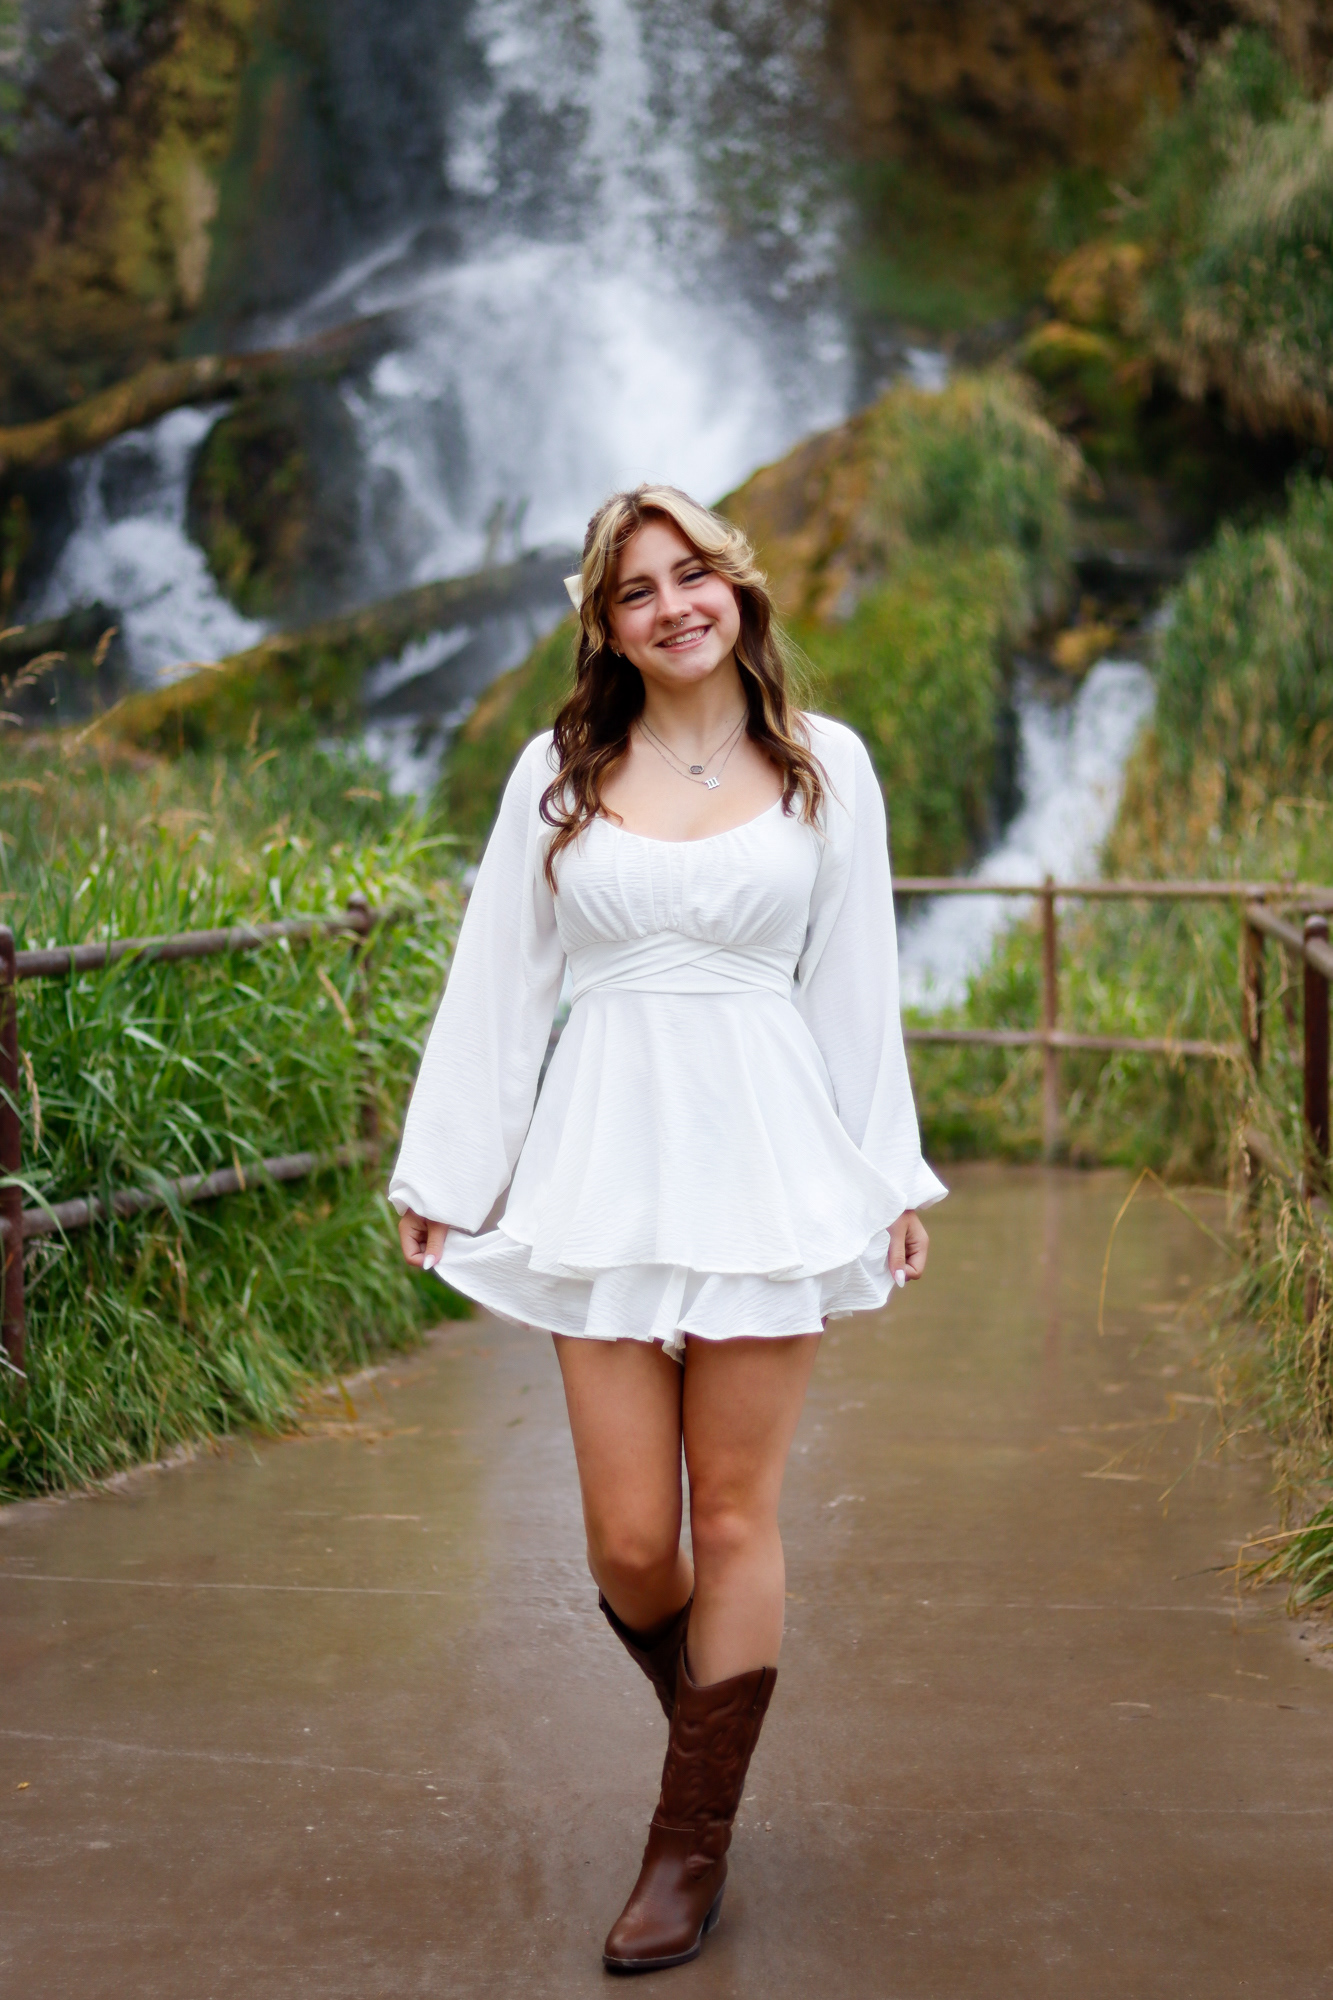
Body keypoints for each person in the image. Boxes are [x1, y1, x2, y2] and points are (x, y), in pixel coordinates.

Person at [390, 483, 945, 1973]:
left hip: (765, 1162)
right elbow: (498, 979)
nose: (673, 605)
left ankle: (685, 1843)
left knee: (736, 1512)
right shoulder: (558, 774)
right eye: (638, 590)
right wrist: (446, 1165)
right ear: (605, 625)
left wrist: (885, 1174)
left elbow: (854, 990)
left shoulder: (827, 768)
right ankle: (716, 1708)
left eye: (693, 573)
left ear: (739, 592)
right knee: (636, 1545)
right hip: (606, 1168)